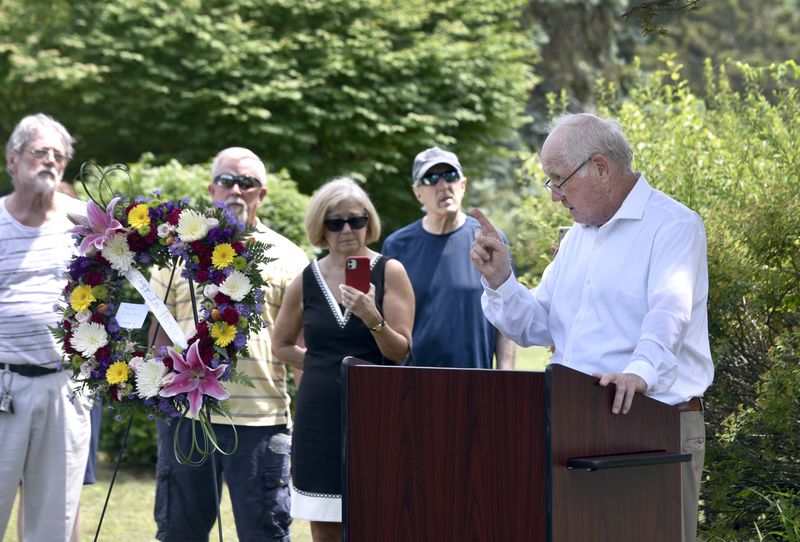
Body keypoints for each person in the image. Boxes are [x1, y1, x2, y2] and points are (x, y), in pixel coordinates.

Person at [470, 113, 714, 542]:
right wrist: (501, 281)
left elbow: (669, 311)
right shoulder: (578, 239)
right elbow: (539, 325)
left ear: (600, 167)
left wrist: (639, 371)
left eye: (558, 180)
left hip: (652, 425)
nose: (554, 197)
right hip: (573, 427)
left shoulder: (673, 225)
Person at [149, 147, 308, 542]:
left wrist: (310, 420)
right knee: (178, 533)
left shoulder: (291, 258)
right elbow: (157, 336)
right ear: (211, 188)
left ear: (262, 193)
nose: (236, 189)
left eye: (248, 182)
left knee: (264, 534)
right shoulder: (176, 253)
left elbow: (305, 348)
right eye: (227, 180)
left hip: (261, 422)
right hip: (186, 419)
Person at [272, 178, 415, 542]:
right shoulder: (306, 279)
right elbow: (281, 345)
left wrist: (372, 317)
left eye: (357, 220)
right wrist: (319, 366)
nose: (348, 230)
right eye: (336, 223)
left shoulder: (390, 271)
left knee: (380, 520)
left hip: (376, 414)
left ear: (370, 222)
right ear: (321, 227)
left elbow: (399, 352)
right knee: (324, 527)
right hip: (319, 418)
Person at [0, 113, 91, 541]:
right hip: (3, 384)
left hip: (64, 388)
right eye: (41, 152)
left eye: (59, 155)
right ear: (13, 160)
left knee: (53, 524)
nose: (51, 162)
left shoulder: (85, 224)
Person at [381, 146, 516, 369]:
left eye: (450, 176)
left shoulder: (489, 240)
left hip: (476, 384)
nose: (443, 185)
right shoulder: (397, 246)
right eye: (431, 179)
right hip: (412, 386)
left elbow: (507, 312)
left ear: (462, 185)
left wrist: (506, 376)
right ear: (417, 192)